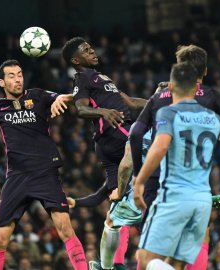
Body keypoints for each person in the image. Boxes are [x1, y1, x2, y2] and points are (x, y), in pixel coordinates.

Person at [0, 59, 88, 270]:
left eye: (20, 74)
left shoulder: (37, 96)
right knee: (0, 240)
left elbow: (63, 97)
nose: (17, 79)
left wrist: (63, 98)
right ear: (2, 83)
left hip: (45, 174)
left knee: (66, 229)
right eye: (12, 76)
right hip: (17, 177)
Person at [129, 44, 220, 269]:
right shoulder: (212, 112)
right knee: (184, 258)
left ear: (173, 81)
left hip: (166, 189)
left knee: (145, 260)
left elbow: (138, 136)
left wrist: (138, 178)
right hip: (202, 196)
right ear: (202, 75)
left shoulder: (162, 104)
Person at [59, 37, 147, 270]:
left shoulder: (103, 78)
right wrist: (104, 112)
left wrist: (157, 102)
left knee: (115, 193)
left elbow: (129, 101)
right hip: (116, 133)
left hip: (108, 141)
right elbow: (80, 108)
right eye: (86, 50)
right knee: (155, 155)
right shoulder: (82, 77)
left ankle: (108, 265)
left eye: (91, 47)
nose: (92, 51)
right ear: (76, 60)